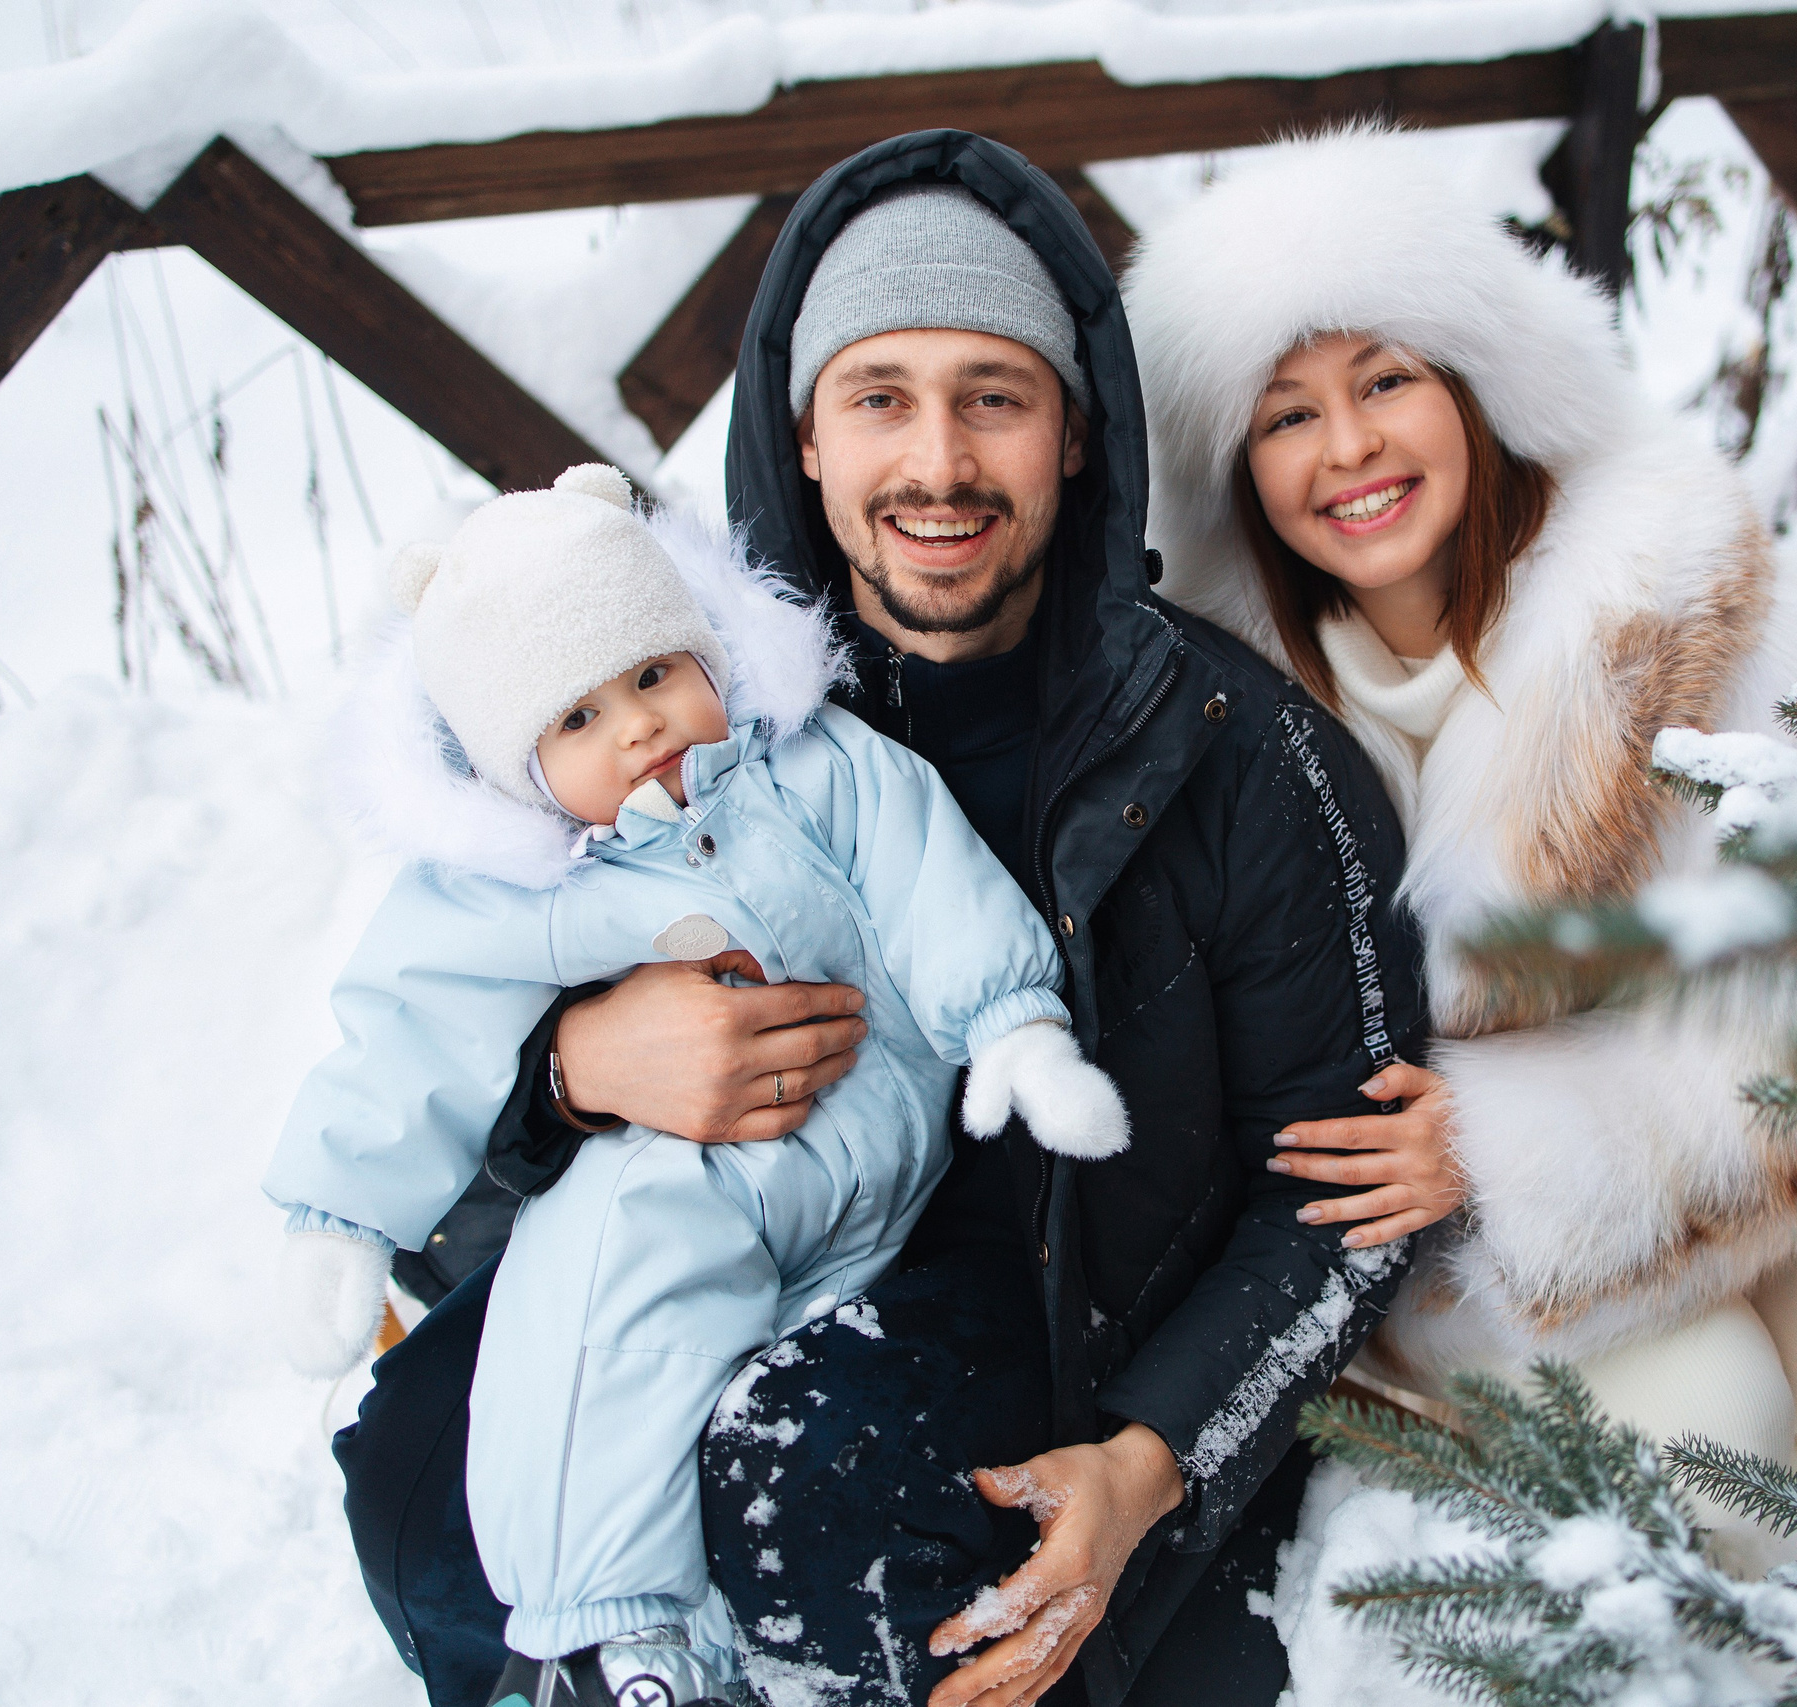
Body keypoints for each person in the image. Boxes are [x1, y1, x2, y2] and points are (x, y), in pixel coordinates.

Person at [328, 133, 1447, 1707]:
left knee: (808, 1492)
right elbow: (423, 1062)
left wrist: (1151, 1456)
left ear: (1074, 434)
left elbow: (1350, 1183)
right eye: (881, 396)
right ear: (800, 435)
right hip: (697, 1239)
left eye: (995, 393)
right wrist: (578, 1072)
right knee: (410, 1471)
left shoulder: (1232, 750)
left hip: (1071, 1316)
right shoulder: (645, 723)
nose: (938, 461)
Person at [1123, 128, 1797, 1568]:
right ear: (1236, 465)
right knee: (1724, 1439)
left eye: (1387, 380)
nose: (1347, 448)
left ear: (1478, 387)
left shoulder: (1666, 603)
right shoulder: (1229, 690)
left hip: (1664, 1143)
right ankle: (1405, 1448)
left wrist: (1517, 1142)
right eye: (1285, 414)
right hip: (1385, 1212)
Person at [268, 463, 1134, 1705]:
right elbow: (407, 1029)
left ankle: (685, 1641)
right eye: (575, 720)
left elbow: (927, 874)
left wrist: (1009, 1026)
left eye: (652, 674)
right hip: (685, 1184)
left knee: (768, 1429)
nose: (637, 725)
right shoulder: (523, 886)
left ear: (709, 654)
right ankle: (611, 1637)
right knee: (606, 1343)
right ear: (513, 769)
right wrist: (341, 1216)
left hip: (875, 1178)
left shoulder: (815, 768)